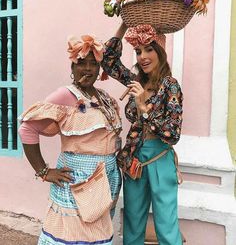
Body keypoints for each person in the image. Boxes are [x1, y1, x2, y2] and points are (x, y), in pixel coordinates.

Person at [18, 34, 122, 245]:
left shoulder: (104, 97)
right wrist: (44, 171)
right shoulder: (66, 95)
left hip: (104, 180)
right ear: (72, 68)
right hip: (78, 181)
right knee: (74, 237)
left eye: (94, 64)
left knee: (96, 236)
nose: (88, 69)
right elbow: (27, 128)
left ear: (100, 69)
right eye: (81, 63)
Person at [101, 23, 184, 245]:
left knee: (166, 226)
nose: (143, 57)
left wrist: (144, 109)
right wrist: (122, 25)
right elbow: (107, 60)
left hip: (160, 159)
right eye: (138, 51)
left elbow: (172, 134)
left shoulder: (170, 86)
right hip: (134, 160)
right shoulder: (136, 81)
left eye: (149, 49)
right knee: (133, 224)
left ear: (161, 52)